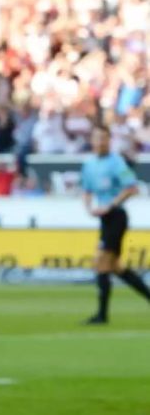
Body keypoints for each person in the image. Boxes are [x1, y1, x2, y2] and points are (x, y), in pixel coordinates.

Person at [81, 125, 149, 325]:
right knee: (116, 267)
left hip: (117, 216)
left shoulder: (116, 162)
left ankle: (102, 315)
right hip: (104, 218)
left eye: (104, 138)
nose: (101, 142)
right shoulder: (89, 164)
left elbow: (132, 188)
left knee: (101, 261)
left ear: (110, 140)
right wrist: (89, 208)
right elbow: (86, 190)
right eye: (97, 138)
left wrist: (111, 205)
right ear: (92, 140)